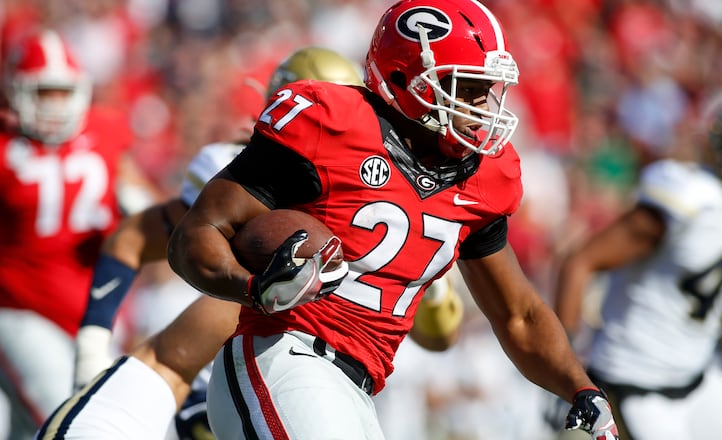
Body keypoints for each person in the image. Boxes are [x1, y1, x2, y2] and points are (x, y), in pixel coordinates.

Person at [167, 0, 620, 439]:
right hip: (280, 355)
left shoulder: (484, 178)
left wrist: (578, 386)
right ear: (408, 78)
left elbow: (518, 315)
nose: (483, 108)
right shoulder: (329, 124)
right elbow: (197, 234)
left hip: (358, 389)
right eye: (466, 88)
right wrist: (256, 289)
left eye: (487, 91)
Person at [36, 45, 464, 440]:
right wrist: (90, 354)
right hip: (182, 389)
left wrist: (429, 265)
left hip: (273, 389)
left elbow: (439, 335)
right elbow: (132, 240)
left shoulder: (387, 204)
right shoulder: (237, 170)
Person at [554, 93, 722, 440]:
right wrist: (564, 376)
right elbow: (581, 262)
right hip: (633, 379)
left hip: (696, 378)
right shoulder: (690, 199)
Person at [0, 28, 156, 439]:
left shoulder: (105, 131)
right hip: (20, 310)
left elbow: (141, 198)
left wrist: (137, 204)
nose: (55, 105)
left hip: (96, 309)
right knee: (69, 419)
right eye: (45, 92)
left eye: (62, 92)